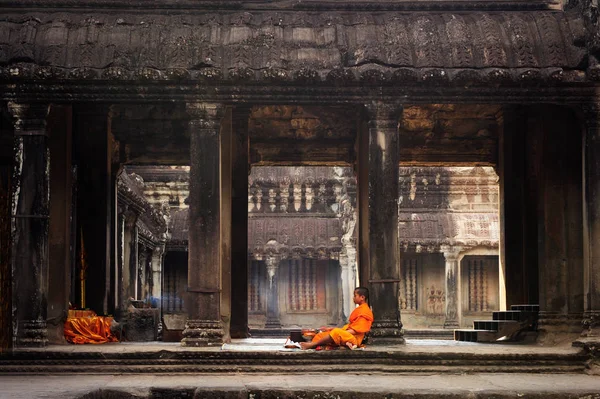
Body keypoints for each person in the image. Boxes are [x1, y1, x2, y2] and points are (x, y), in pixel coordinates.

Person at [300, 287, 374, 350]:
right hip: (348, 335)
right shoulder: (360, 309)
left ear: (362, 297)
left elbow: (357, 330)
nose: (353, 298)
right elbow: (350, 327)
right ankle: (322, 345)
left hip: (355, 338)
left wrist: (340, 332)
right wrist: (331, 330)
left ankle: (312, 344)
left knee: (336, 333)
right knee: (321, 335)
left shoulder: (365, 311)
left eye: (355, 296)